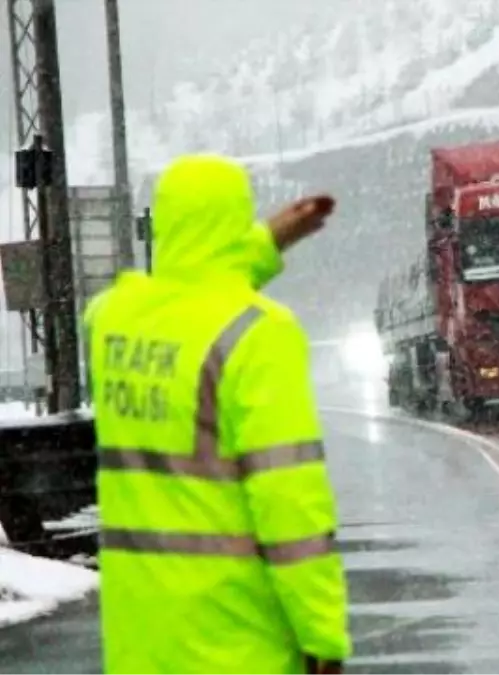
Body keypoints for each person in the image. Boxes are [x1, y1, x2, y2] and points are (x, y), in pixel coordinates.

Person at [83, 154, 351, 674]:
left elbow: (188, 289)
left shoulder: (112, 322)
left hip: (141, 648)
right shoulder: (259, 334)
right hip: (237, 643)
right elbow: (288, 500)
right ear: (237, 221)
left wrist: (257, 247)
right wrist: (322, 631)